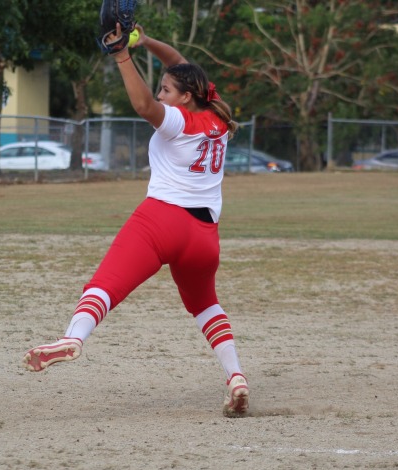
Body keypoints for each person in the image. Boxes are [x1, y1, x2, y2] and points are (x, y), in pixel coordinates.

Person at [23, 24, 249, 417]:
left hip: (161, 220)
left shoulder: (180, 121)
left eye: (166, 89)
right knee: (206, 305)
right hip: (204, 237)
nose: (160, 93)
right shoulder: (215, 116)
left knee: (104, 286)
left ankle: (73, 338)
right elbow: (181, 64)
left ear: (185, 97)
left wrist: (123, 56)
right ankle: (236, 377)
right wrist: (144, 41)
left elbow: (144, 106)